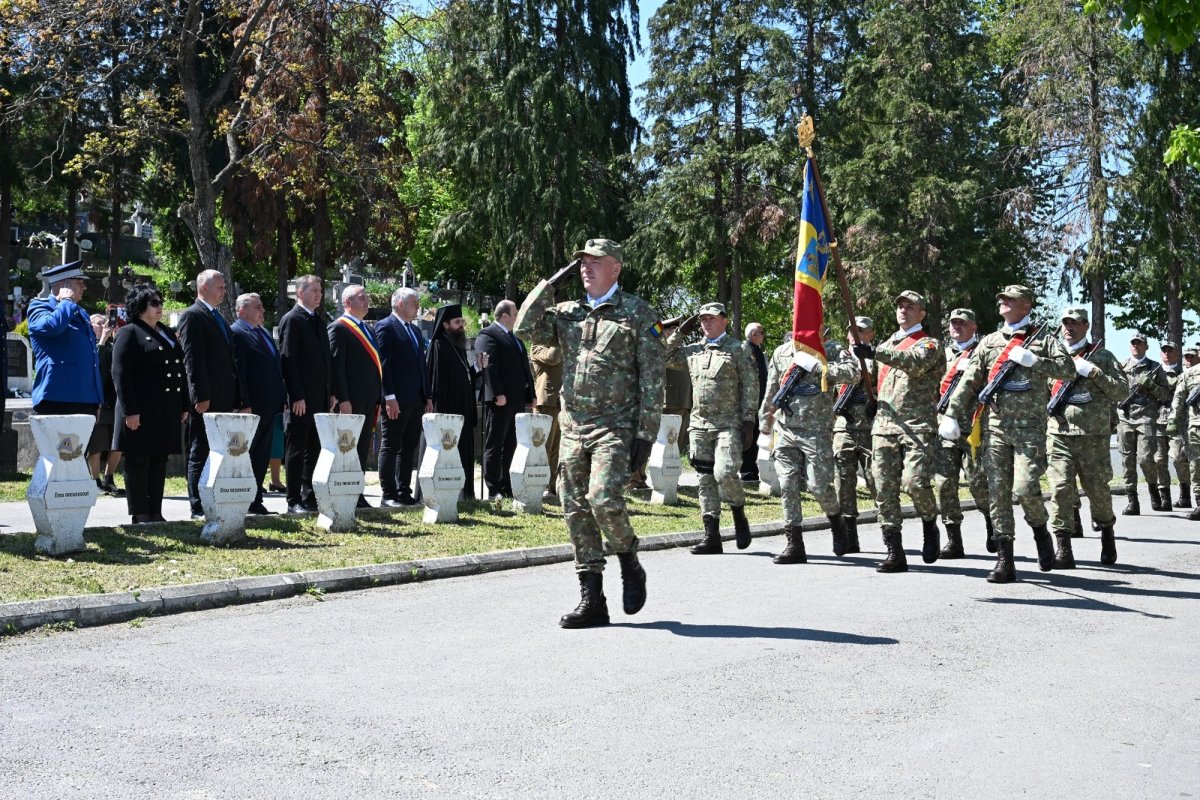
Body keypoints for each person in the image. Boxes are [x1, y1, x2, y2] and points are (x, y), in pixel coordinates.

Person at [515, 238, 663, 629]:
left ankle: (629, 560)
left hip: (615, 426)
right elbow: (523, 327)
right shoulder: (566, 312)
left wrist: (645, 437)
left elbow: (652, 380)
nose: (586, 267)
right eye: (581, 261)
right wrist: (552, 282)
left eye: (595, 262)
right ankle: (592, 598)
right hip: (573, 427)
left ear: (616, 268)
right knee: (575, 508)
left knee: (602, 499)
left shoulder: (637, 312)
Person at [943, 285, 1075, 583]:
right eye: (1001, 298)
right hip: (995, 427)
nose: (1002, 301)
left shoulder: (1043, 339)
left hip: (1030, 429)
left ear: (1026, 306)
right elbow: (970, 381)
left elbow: (1067, 370)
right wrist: (952, 412)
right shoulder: (989, 342)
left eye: (1010, 299)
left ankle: (1040, 530)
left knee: (1026, 488)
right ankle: (1005, 559)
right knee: (998, 493)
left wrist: (1035, 361)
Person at [758, 322, 860, 563]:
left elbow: (854, 374)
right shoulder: (781, 352)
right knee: (787, 485)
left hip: (817, 430)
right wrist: (765, 424)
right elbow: (772, 389)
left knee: (818, 486)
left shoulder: (831, 349)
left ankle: (837, 522)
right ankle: (794, 544)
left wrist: (821, 367)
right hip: (785, 428)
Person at [665, 303, 760, 555]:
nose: (707, 323)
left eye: (712, 319)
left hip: (728, 424)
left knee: (725, 473)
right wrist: (680, 332)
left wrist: (749, 421)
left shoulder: (738, 350)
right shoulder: (693, 351)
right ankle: (712, 536)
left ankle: (738, 511)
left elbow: (751, 385)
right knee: (705, 479)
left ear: (724, 321)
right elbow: (662, 354)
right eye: (703, 319)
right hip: (699, 425)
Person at [863, 292, 943, 573]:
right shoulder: (885, 345)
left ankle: (929, 522)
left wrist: (873, 351)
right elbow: (867, 377)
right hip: (884, 425)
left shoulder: (930, 344)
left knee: (914, 483)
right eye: (900, 306)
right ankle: (894, 551)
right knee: (883, 488)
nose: (903, 311)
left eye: (911, 307)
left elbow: (914, 362)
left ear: (922, 314)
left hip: (917, 426)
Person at [1044, 307, 1125, 567]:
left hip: (1093, 436)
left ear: (1086, 326)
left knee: (1098, 491)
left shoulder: (1102, 356)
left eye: (1075, 323)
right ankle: (1063, 548)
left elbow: (1122, 391)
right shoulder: (1053, 358)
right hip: (1059, 433)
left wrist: (1094, 373)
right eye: (1065, 323)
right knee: (1060, 489)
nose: (1069, 328)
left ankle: (1107, 534)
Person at [111, 284, 188, 524]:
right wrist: (130, 411)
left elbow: (178, 370)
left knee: (159, 460)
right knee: (138, 460)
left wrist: (184, 404)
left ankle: (155, 510)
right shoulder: (130, 332)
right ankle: (140, 512)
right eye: (154, 303)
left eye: (160, 302)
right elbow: (120, 373)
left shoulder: (164, 331)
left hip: (165, 409)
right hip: (140, 410)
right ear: (140, 306)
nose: (159, 307)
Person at [178, 269, 244, 518]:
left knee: (218, 451)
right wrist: (200, 396)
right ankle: (197, 504)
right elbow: (192, 360)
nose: (224, 291)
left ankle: (214, 497)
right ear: (204, 287)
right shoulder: (193, 316)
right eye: (220, 286)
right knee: (200, 450)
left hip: (223, 397)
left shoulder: (217, 317)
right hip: (206, 399)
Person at [932, 308, 991, 558]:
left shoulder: (983, 352)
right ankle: (953, 539)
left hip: (974, 426)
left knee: (978, 483)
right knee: (944, 483)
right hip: (945, 425)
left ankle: (993, 523)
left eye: (962, 324)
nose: (956, 328)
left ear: (973, 327)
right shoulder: (941, 355)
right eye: (953, 324)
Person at [279, 275, 334, 515]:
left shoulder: (318, 322)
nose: (319, 294)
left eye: (320, 290)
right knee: (297, 449)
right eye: (313, 290)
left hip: (320, 399)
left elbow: (326, 362)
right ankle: (293, 500)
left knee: (315, 449)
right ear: (300, 293)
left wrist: (331, 393)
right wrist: (296, 395)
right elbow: (288, 361)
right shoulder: (292, 320)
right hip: (301, 400)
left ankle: (309, 495)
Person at [230, 293, 286, 516]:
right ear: (242, 310)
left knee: (262, 453)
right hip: (251, 405)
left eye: (262, 307)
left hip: (269, 404)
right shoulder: (237, 333)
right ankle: (245, 499)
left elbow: (275, 369)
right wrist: (244, 401)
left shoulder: (262, 332)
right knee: (249, 453)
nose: (262, 311)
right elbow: (239, 371)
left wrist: (282, 398)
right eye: (257, 308)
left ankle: (256, 499)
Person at [376, 287, 432, 506]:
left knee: (408, 447)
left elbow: (421, 366)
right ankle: (388, 494)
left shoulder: (415, 331)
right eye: (413, 302)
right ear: (400, 304)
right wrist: (388, 396)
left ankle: (403, 491)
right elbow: (384, 365)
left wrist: (427, 395)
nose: (417, 306)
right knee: (391, 445)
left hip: (416, 399)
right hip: (396, 399)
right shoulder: (385, 327)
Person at [329, 285, 383, 509]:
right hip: (351, 400)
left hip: (369, 398)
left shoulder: (367, 329)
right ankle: (342, 491)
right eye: (362, 298)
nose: (367, 301)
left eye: (366, 297)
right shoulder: (339, 328)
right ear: (348, 303)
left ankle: (357, 492)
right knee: (346, 448)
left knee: (361, 449)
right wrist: (343, 399)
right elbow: (336, 366)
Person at [427, 303, 487, 500]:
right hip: (447, 407)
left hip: (463, 408)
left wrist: (478, 368)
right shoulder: (438, 345)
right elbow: (436, 381)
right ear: (445, 325)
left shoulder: (458, 345)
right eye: (457, 322)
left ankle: (466, 492)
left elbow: (465, 376)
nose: (461, 325)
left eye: (462, 321)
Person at [26, 261, 103, 415]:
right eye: (78, 282)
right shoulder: (39, 307)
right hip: (57, 396)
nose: (84, 287)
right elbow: (52, 327)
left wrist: (96, 398)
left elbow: (91, 359)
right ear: (62, 286)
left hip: (86, 399)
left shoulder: (80, 313)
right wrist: (66, 301)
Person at [477, 299, 534, 499]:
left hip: (516, 400)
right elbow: (489, 367)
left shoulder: (515, 339)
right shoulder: (488, 334)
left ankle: (506, 484)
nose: (518, 316)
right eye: (515, 312)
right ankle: (493, 487)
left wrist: (531, 395)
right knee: (495, 443)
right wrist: (496, 393)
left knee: (512, 444)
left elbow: (525, 369)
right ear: (504, 316)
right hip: (500, 400)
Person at [832, 316, 877, 553]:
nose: (855, 335)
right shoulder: (839, 359)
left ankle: (890, 533)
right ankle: (849, 536)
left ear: (871, 334)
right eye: (851, 330)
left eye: (861, 331)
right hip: (844, 427)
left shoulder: (877, 358)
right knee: (843, 481)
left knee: (876, 480)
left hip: (871, 428)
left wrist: (878, 402)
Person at [1116, 333, 1172, 514]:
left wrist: (1151, 385)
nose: (1136, 346)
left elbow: (1165, 396)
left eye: (1140, 344)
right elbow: (1111, 389)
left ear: (1146, 347)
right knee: (1126, 460)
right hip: (1124, 417)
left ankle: (1153, 489)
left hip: (1146, 418)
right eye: (1133, 343)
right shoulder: (1122, 366)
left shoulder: (1154, 368)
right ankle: (1132, 501)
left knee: (1145, 458)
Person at [86, 313, 124, 497]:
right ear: (91, 326)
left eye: (105, 323)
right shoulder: (89, 345)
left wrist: (115, 337)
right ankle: (95, 480)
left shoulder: (111, 345)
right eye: (99, 323)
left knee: (117, 444)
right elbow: (96, 367)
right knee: (97, 444)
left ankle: (109, 478)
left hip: (114, 401)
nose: (103, 326)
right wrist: (102, 340)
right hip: (97, 401)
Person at [1166, 352, 1200, 522]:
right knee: (1196, 465)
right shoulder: (1190, 374)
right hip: (1196, 427)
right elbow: (1178, 398)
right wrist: (1172, 420)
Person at [1157, 342, 1189, 509]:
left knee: (1179, 458)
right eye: (1164, 351)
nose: (1167, 354)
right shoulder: (1154, 372)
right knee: (1159, 460)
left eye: (1171, 351)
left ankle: (1185, 493)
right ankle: (1165, 498)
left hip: (1177, 422)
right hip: (1157, 421)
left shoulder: (1184, 373)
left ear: (1177, 354)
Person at [530, 341, 562, 497]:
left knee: (558, 449)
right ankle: (541, 485)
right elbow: (553, 358)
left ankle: (552, 486)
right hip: (547, 402)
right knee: (544, 447)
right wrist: (559, 336)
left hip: (562, 402)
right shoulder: (537, 346)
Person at [739, 322, 768, 482]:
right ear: (754, 334)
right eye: (762, 332)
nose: (763, 335)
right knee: (746, 436)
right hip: (747, 403)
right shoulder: (743, 351)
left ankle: (751, 469)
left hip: (759, 402)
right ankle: (746, 470)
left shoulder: (758, 352)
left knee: (755, 434)